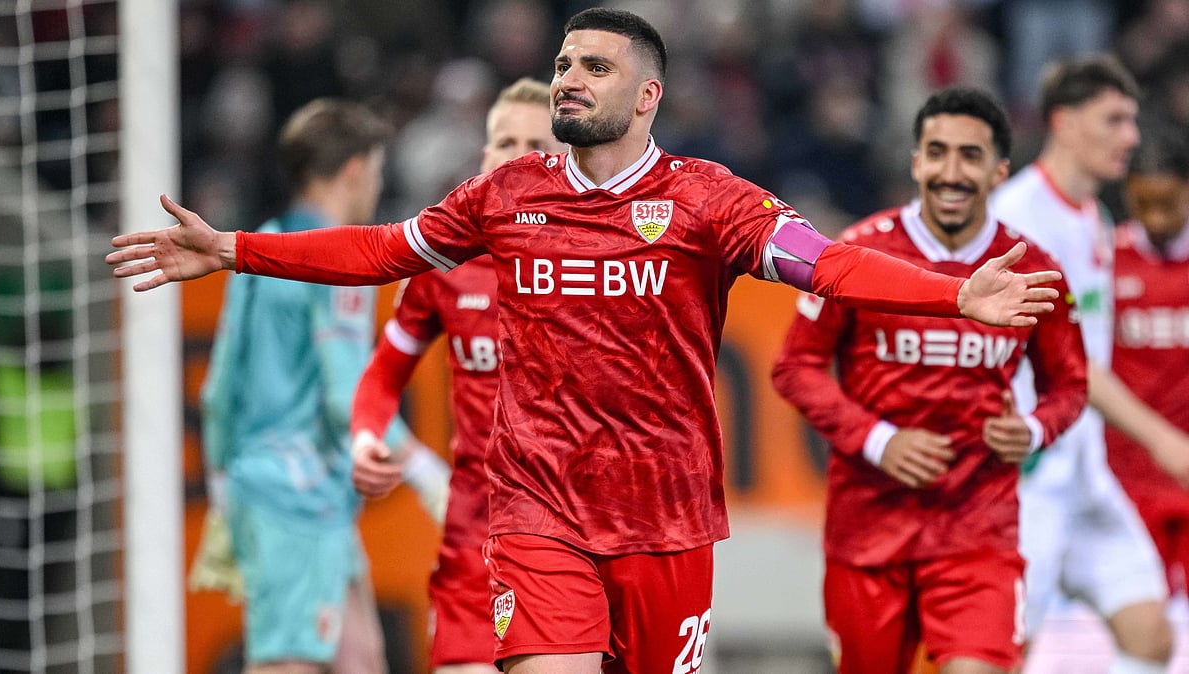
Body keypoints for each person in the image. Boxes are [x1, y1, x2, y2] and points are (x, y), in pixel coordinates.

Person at [109, 9, 1065, 673]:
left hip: (667, 520)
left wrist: (951, 296)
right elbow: (383, 250)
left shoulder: (707, 200)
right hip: (537, 512)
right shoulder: (506, 194)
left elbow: (830, 266)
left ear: (648, 95)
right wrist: (234, 249)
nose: (569, 79)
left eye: (592, 68)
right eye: (564, 65)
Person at [772, 88, 1087, 674]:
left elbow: (1070, 387)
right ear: (916, 162)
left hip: (978, 532)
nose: (950, 171)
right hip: (868, 531)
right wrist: (879, 439)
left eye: (970, 156)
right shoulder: (859, 254)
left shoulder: (1034, 271)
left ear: (999, 171)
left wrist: (1035, 430)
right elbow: (794, 368)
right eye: (936, 152)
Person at [349, 77, 565, 674]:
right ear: (485, 156)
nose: (517, 156)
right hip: (475, 536)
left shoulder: (603, 261)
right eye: (504, 142)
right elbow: (383, 376)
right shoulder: (446, 261)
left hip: (572, 537)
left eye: (535, 143)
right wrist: (368, 435)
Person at [992, 55, 1181, 672]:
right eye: (1115, 119)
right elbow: (1070, 362)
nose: (1131, 136)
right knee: (1001, 651)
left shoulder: (1093, 216)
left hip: (1084, 470)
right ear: (1065, 123)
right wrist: (1163, 439)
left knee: (1151, 634)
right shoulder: (1020, 220)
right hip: (1030, 475)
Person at [195, 98, 397, 673]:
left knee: (361, 655)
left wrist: (222, 494)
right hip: (299, 498)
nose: (378, 188)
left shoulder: (258, 244)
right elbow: (345, 398)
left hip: (271, 487)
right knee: (288, 664)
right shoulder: (346, 257)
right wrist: (415, 463)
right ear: (354, 170)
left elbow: (217, 391)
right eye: (378, 172)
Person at [1107, 133, 1189, 599]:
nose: (1156, 218)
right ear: (1127, 194)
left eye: (1169, 204)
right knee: (1142, 624)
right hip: (1127, 480)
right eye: (1144, 204)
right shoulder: (1103, 261)